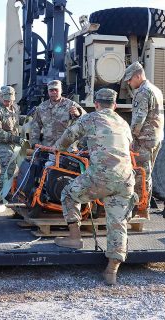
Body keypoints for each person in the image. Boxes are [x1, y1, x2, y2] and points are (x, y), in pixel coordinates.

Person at [53, 88, 138, 285]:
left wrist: (57, 149)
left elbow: (68, 136)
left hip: (101, 177)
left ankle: (75, 238)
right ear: (115, 105)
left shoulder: (90, 118)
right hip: (126, 179)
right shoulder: (123, 123)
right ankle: (111, 271)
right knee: (118, 223)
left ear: (97, 104)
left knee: (68, 194)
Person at [124, 61, 164, 216]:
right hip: (155, 138)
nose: (129, 82)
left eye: (130, 79)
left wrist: (130, 138)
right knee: (147, 173)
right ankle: (144, 207)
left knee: (141, 174)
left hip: (144, 140)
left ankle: (140, 209)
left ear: (138, 75)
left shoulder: (142, 92)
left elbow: (138, 119)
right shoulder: (156, 90)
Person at [29, 80, 86, 149]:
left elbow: (85, 119)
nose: (54, 92)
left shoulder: (70, 104)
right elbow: (35, 127)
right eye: (51, 90)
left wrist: (78, 114)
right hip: (48, 147)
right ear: (48, 92)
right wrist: (34, 143)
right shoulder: (42, 107)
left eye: (56, 90)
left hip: (67, 148)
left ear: (61, 91)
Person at [0, 85, 24, 191]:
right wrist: (15, 138)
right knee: (8, 165)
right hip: (0, 142)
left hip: (13, 142)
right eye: (6, 100)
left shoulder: (14, 107)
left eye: (11, 100)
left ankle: (10, 188)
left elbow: (15, 119)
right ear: (0, 97)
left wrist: (25, 119)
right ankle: (2, 191)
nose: (8, 103)